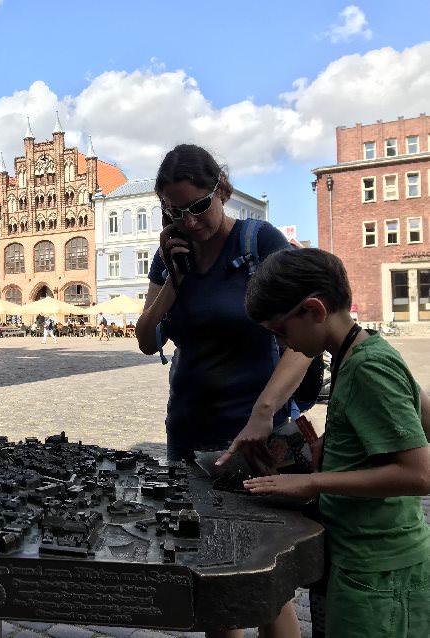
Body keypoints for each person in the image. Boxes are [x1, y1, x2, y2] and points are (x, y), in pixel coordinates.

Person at [134, 144, 306, 637]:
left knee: (266, 582)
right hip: (189, 428)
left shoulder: (259, 242)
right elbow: (147, 341)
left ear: (222, 192)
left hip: (256, 430)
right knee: (210, 570)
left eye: (196, 208)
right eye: (172, 212)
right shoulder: (169, 259)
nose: (187, 222)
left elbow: (304, 339)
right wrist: (173, 280)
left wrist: (263, 415)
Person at [243, 248, 430, 638]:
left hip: (378, 570)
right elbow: (413, 417)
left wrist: (313, 482)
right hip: (361, 558)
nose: (282, 344)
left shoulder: (367, 366)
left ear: (313, 310)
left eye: (280, 330)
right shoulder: (356, 353)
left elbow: (419, 474)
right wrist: (334, 449)